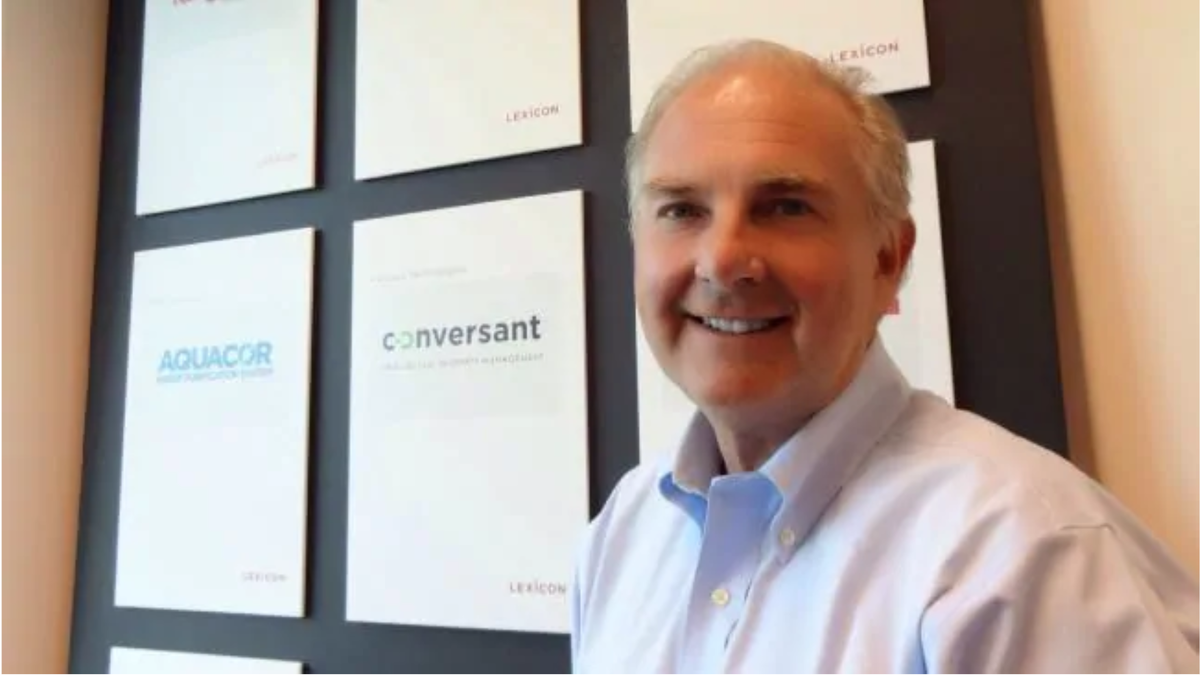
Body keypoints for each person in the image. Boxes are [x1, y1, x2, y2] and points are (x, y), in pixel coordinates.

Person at [569, 39, 1199, 673]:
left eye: (785, 207)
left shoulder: (1022, 550)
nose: (723, 259)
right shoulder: (623, 532)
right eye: (681, 210)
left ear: (888, 259)